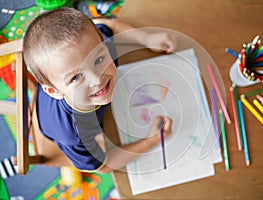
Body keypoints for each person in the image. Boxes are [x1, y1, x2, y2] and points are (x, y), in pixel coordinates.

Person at [23, 7, 175, 174]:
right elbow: (102, 166)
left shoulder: (90, 47)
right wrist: (150, 141)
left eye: (99, 60)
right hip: (51, 121)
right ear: (54, 91)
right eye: (75, 78)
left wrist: (147, 38)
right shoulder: (73, 135)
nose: (97, 79)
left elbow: (106, 25)